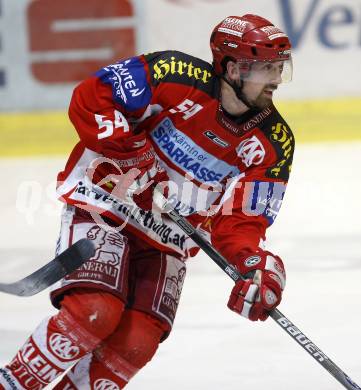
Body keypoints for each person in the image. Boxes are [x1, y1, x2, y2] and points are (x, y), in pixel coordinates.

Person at [0, 14, 293, 389]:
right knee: (94, 311)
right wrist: (132, 153)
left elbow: (243, 220)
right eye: (265, 69)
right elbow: (92, 97)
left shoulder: (275, 143)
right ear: (233, 68)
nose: (275, 80)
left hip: (167, 235)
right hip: (107, 203)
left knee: (138, 341)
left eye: (279, 68)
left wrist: (255, 265)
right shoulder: (173, 73)